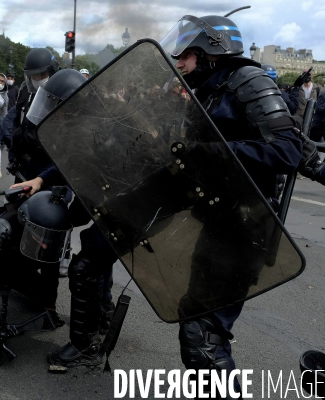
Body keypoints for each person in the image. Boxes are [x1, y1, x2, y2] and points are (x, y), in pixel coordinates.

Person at [104, 14, 300, 391]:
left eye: (186, 55)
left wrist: (211, 153)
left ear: (211, 52)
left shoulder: (250, 82)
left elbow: (287, 151)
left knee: (203, 340)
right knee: (196, 323)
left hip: (246, 226)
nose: (179, 63)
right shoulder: (209, 89)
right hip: (218, 220)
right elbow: (193, 155)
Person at [0, 69, 88, 383]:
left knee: (39, 286)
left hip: (24, 244)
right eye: (41, 239)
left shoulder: (52, 232)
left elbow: (53, 266)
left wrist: (49, 307)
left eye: (50, 242)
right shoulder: (6, 229)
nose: (47, 246)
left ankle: (22, 286)